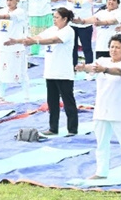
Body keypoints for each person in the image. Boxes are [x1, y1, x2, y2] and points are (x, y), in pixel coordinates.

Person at [6, 8, 78, 136]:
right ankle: (53, 128)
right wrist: (17, 41)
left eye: (56, 17)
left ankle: (72, 129)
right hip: (50, 72)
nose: (54, 19)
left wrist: (36, 42)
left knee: (68, 102)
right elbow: (38, 36)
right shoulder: (52, 29)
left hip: (63, 73)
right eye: (54, 17)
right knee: (52, 102)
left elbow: (53, 40)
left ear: (65, 19)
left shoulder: (68, 31)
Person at [77, 35, 121, 182]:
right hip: (101, 110)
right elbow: (91, 68)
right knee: (101, 143)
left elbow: (116, 71)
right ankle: (101, 171)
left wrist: (104, 69)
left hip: (119, 111)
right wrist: (83, 67)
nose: (113, 50)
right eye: (112, 46)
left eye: (117, 47)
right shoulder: (102, 61)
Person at [0, 0, 28, 101]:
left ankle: (26, 94)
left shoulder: (20, 12)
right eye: (7, 0)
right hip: (1, 45)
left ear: (17, 0)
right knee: (1, 71)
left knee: (21, 71)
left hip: (16, 47)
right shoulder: (2, 10)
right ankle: (1, 94)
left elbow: (8, 16)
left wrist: (0, 16)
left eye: (11, 0)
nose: (8, 2)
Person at [64, 0, 96, 68]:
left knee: (87, 47)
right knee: (72, 47)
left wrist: (86, 0)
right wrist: (75, 1)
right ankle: (73, 67)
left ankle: (89, 67)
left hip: (85, 23)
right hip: (72, 24)